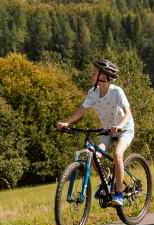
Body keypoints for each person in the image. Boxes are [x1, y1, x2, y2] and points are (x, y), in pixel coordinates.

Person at [57, 59, 134, 207]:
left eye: (94, 73)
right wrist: (67, 123)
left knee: (118, 154)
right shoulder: (92, 93)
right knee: (93, 155)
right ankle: (106, 179)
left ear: (104, 77)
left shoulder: (117, 91)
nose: (91, 76)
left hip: (124, 129)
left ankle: (119, 194)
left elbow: (128, 114)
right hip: (108, 131)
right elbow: (81, 110)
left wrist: (119, 126)